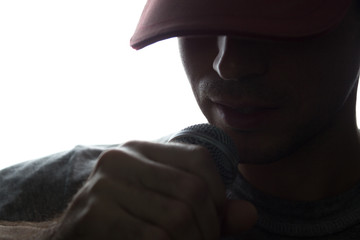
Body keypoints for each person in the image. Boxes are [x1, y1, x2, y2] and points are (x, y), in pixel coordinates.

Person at [1, 0, 360, 239]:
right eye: (202, 14)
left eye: (278, 20)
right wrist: (57, 234)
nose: (229, 64)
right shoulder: (83, 191)